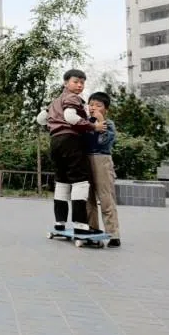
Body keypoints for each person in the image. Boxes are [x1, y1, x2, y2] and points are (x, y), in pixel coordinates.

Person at [36, 69, 106, 236]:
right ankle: (80, 225)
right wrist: (93, 126)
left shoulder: (55, 101)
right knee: (80, 181)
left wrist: (53, 126)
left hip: (55, 142)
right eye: (76, 81)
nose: (80, 85)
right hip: (72, 141)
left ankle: (59, 223)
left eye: (82, 82)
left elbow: (40, 119)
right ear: (65, 83)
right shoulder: (73, 98)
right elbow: (70, 116)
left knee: (62, 182)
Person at [86, 92, 121, 247]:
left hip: (102, 160)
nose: (94, 108)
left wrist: (100, 123)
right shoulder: (85, 123)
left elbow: (104, 142)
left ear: (106, 109)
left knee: (105, 197)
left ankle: (113, 234)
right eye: (91, 104)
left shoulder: (109, 124)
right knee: (88, 198)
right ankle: (93, 230)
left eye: (98, 105)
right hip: (85, 160)